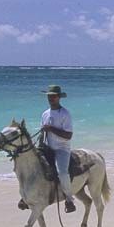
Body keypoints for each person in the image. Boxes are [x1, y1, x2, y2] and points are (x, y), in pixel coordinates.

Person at [40, 84, 76, 213]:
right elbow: (43, 132)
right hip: (48, 148)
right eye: (49, 96)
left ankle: (69, 199)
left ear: (59, 97)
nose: (51, 98)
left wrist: (51, 129)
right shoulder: (44, 114)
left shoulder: (65, 114)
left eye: (54, 96)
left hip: (62, 149)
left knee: (62, 172)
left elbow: (68, 135)